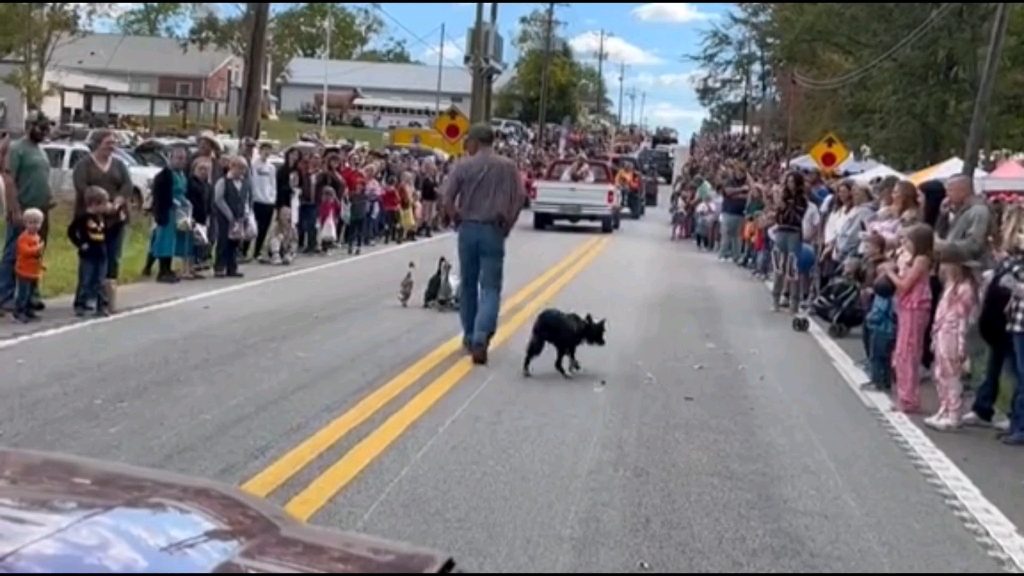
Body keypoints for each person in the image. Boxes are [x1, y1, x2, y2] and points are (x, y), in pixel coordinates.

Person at [441, 123, 526, 365]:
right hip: (493, 229)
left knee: (468, 284)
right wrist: (508, 222)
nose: (466, 146)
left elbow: (447, 197)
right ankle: (481, 337)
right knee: (490, 287)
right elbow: (519, 197)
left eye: (468, 142)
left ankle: (469, 335)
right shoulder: (508, 167)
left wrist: (455, 215)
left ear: (475, 142)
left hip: (468, 227)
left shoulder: (464, 165)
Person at [0, 112, 53, 312]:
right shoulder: (17, 148)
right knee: (14, 251)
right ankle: (4, 295)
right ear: (30, 126)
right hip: (24, 209)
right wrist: (14, 207)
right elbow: (9, 178)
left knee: (35, 252)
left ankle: (30, 294)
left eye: (47, 128)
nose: (45, 132)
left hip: (42, 210)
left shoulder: (40, 150)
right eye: (41, 128)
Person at [885, 223, 935, 414]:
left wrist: (890, 273)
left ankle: (908, 398)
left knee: (908, 352)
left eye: (908, 240)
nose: (904, 243)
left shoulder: (921, 260)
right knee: (902, 352)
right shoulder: (911, 258)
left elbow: (905, 285)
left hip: (916, 306)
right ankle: (905, 395)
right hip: (906, 306)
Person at [926, 255, 979, 431]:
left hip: (954, 334)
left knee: (951, 374)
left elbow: (962, 318)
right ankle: (945, 407)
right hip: (943, 331)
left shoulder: (965, 289)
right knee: (940, 372)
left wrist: (961, 343)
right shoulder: (950, 286)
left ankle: (954, 413)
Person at [149, 146, 192, 283]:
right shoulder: (164, 176)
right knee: (164, 242)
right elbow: (160, 196)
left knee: (173, 242)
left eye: (184, 159)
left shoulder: (182, 174)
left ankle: (169, 268)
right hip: (167, 212)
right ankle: (162, 271)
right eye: (179, 158)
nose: (182, 161)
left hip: (179, 213)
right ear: (171, 158)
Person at [67, 186, 111, 317]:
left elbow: (106, 232)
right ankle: (80, 303)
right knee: (86, 280)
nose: (106, 206)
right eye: (104, 203)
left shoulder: (102, 218)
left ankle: (101, 305)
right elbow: (71, 231)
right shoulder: (83, 218)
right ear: (94, 204)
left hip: (101, 252)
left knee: (100, 280)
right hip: (88, 254)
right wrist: (80, 244)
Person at [213, 157, 251, 278]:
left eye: (244, 169)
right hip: (225, 217)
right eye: (240, 168)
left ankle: (232, 267)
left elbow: (247, 199)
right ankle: (219, 267)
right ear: (232, 167)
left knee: (235, 242)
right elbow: (219, 199)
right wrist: (229, 215)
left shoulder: (245, 182)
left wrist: (246, 213)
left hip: (239, 216)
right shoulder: (223, 181)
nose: (242, 171)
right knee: (223, 241)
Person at [12, 207, 45, 323]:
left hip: (33, 271)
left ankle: (29, 310)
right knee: (23, 292)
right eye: (31, 223)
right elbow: (25, 251)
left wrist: (41, 265)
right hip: (24, 270)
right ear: (25, 223)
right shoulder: (23, 238)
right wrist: (37, 248)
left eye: (37, 223)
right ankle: (19, 311)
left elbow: (38, 256)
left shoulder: (37, 237)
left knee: (31, 292)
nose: (34, 226)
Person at [249, 142, 278, 260]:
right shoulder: (253, 165)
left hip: (268, 201)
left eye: (269, 150)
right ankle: (245, 250)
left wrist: (272, 198)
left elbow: (273, 184)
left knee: (263, 228)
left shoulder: (271, 168)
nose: (266, 152)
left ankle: (257, 251)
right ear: (260, 151)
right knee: (252, 227)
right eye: (264, 150)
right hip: (256, 200)